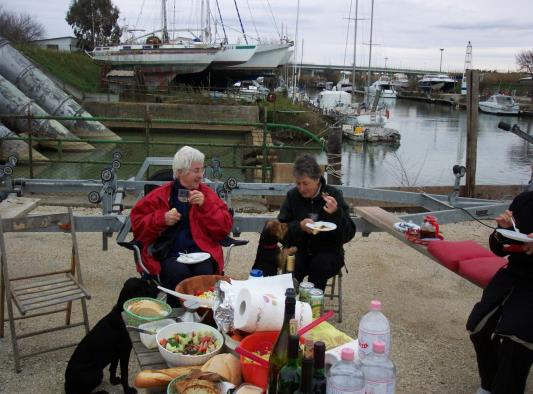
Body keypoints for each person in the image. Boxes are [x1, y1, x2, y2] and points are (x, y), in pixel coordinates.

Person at [130, 146, 233, 306]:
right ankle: (178, 315)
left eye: (202, 170)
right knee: (178, 272)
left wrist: (206, 206)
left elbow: (224, 229)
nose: (201, 176)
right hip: (169, 253)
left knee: (204, 273)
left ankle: (203, 315)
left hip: (202, 252)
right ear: (180, 172)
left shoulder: (207, 195)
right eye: (196, 170)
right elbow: (137, 224)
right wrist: (161, 219)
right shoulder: (160, 195)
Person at [467, 190, 533, 394]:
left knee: (516, 337)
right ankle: (490, 383)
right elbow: (497, 248)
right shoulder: (524, 201)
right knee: (479, 325)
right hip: (515, 273)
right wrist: (502, 231)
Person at [278, 154, 356, 290]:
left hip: (328, 251)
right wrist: (299, 227)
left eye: (305, 183)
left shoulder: (333, 195)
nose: (301, 188)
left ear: (317, 179)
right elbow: (281, 231)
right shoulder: (292, 196)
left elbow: (348, 234)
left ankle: (313, 305)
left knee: (320, 265)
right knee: (291, 265)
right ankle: (291, 303)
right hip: (299, 249)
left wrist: (337, 214)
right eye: (298, 183)